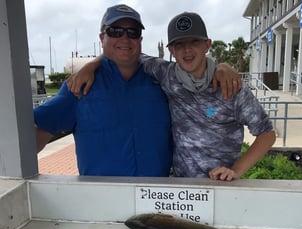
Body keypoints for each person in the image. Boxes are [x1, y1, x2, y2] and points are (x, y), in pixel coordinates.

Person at [35, 4, 241, 177]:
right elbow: (34, 137)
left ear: (140, 40)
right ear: (101, 37)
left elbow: (194, 68)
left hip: (158, 202)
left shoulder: (163, 81)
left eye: (133, 33)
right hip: (100, 204)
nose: (125, 39)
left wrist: (222, 67)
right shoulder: (80, 87)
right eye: (115, 31)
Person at [68, 11, 276, 181]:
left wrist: (237, 170)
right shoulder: (166, 74)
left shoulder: (231, 86)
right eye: (179, 44)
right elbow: (124, 51)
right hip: (180, 189)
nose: (187, 50)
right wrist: (91, 65)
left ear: (207, 44)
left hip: (221, 186)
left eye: (194, 42)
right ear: (171, 50)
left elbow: (267, 133)